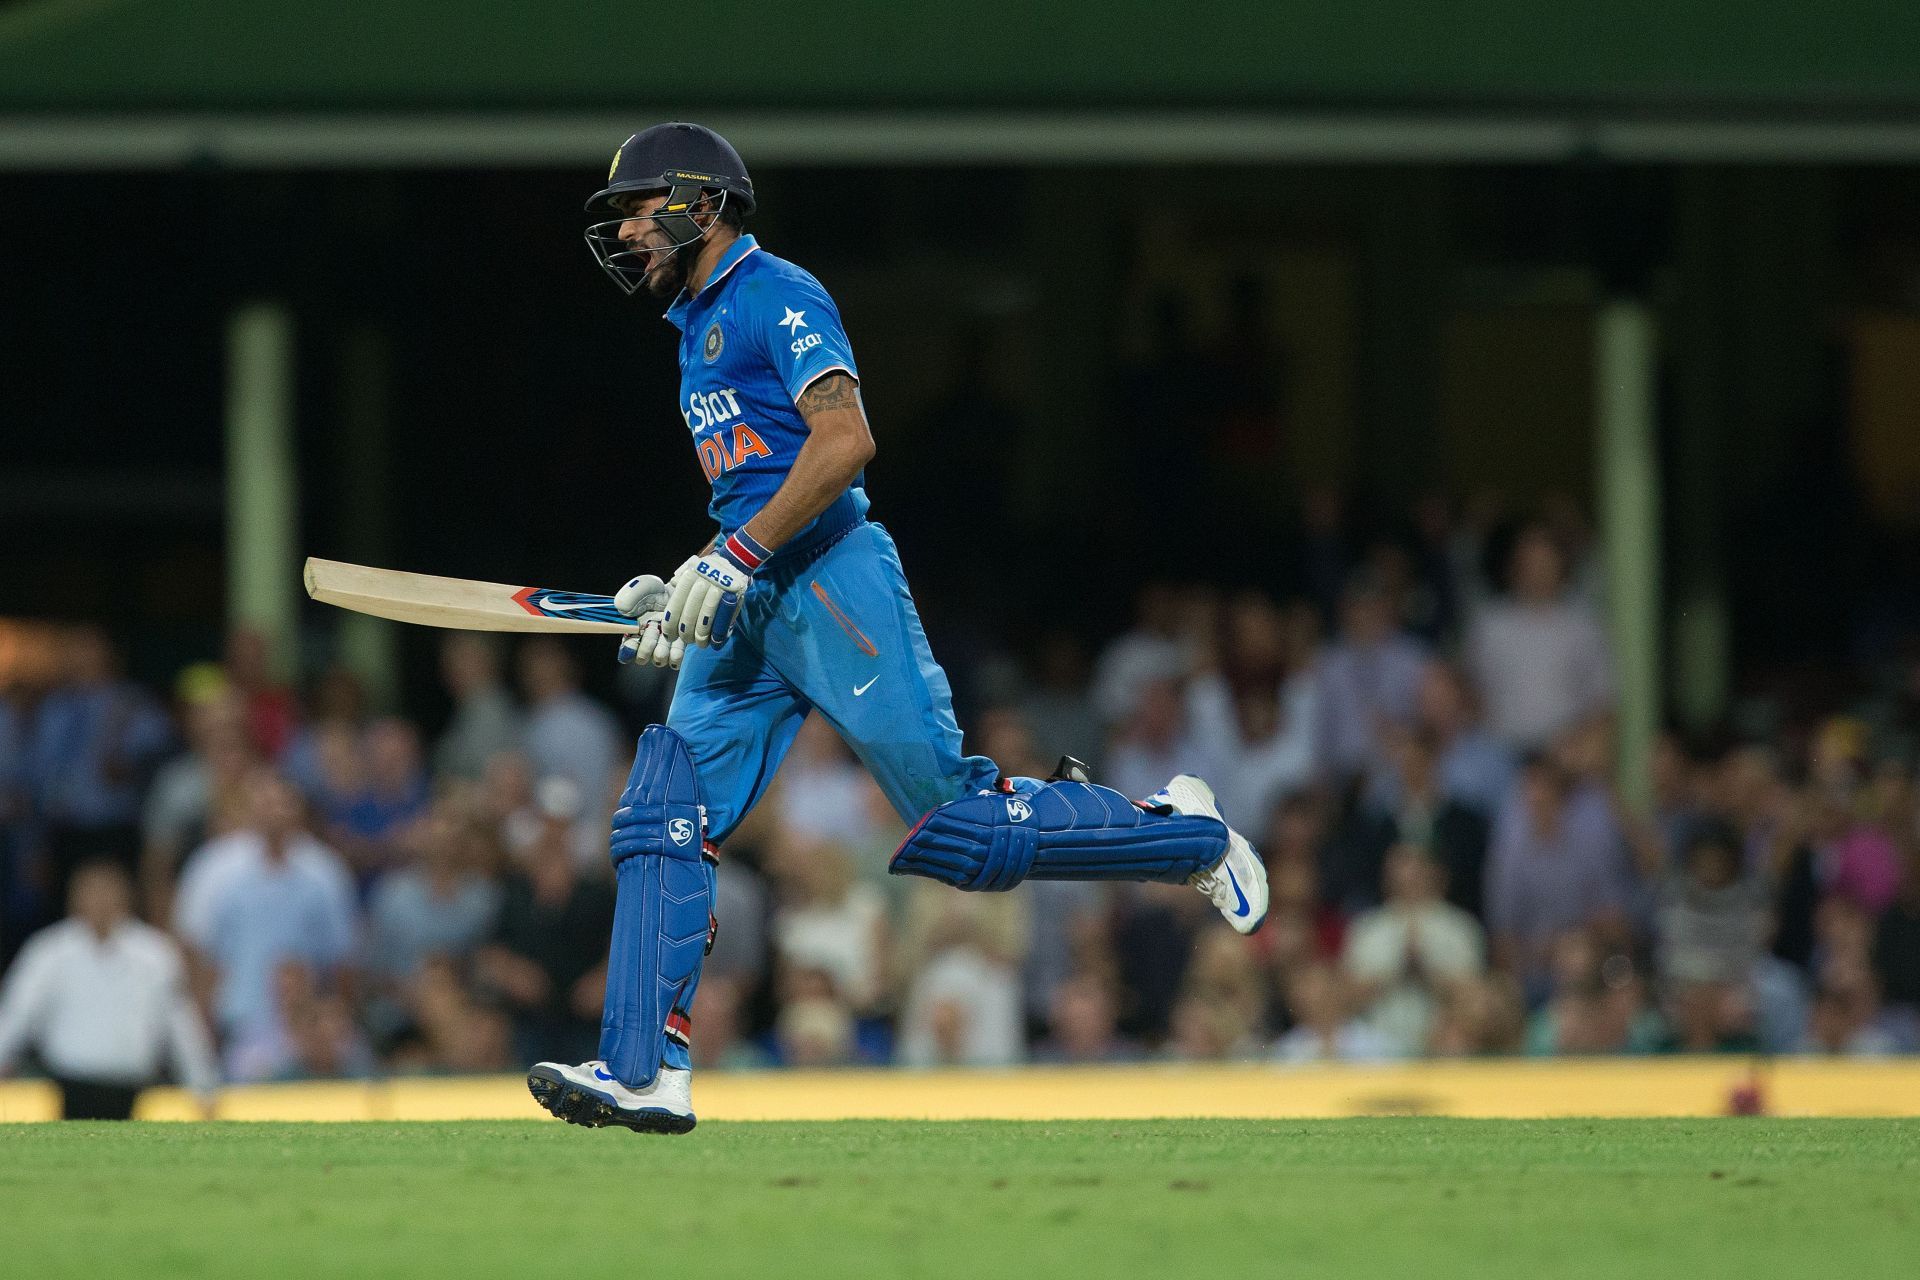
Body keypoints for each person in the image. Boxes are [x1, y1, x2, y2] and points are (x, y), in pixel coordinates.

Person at [527, 122, 1269, 1133]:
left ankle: (1188, 835)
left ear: (700, 201)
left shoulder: (776, 291)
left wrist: (732, 559)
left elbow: (845, 441)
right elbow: (755, 481)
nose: (623, 231)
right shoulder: (693, 329)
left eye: (635, 206)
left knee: (954, 829)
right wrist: (687, 580)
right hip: (753, 598)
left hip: (833, 580)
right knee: (665, 803)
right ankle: (645, 1068)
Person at [0, 860, 218, 1119]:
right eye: (91, 892)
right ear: (75, 898)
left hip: (135, 1090)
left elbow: (181, 1025)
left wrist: (203, 1084)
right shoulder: (49, 951)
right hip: (68, 1088)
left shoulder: (154, 954)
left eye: (108, 892)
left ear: (126, 898)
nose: (100, 901)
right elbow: (18, 1012)